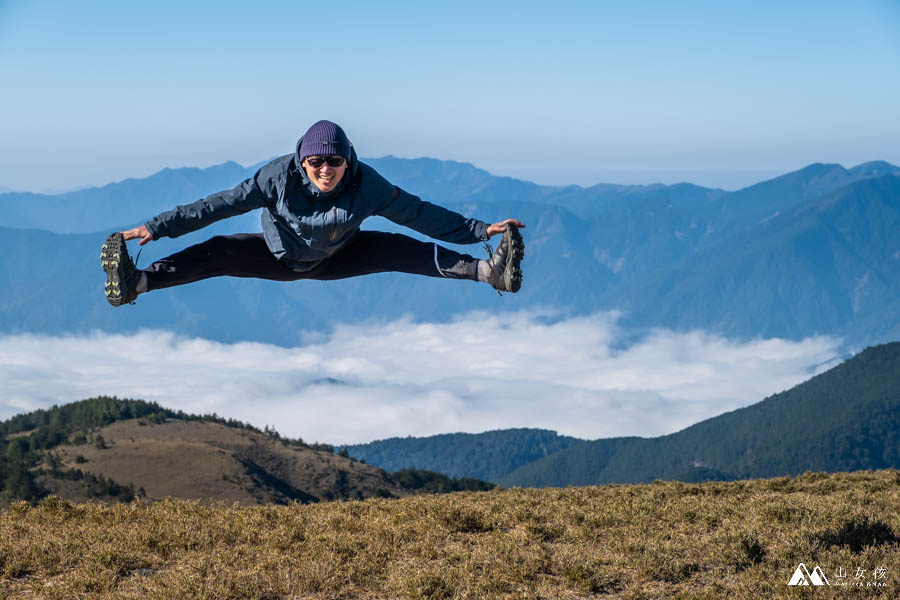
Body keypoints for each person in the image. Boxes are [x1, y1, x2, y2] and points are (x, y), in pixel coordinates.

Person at [101, 120, 524, 307]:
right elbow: (218, 205)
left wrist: (480, 229)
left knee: (401, 248)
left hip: (342, 254)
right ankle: (135, 282)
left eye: (334, 162)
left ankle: (490, 272)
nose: (325, 169)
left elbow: (417, 213)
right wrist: (157, 227)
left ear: (348, 162)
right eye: (316, 161)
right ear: (302, 160)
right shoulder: (275, 179)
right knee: (219, 251)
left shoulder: (367, 185)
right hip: (279, 257)